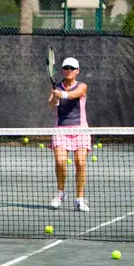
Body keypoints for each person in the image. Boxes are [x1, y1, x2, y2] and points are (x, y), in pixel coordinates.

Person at [48, 57, 90, 212]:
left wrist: (63, 95)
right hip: (61, 129)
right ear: (63, 70)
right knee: (60, 162)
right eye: (66, 67)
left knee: (80, 162)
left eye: (72, 68)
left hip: (80, 129)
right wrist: (55, 98)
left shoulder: (82, 86)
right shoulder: (57, 87)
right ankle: (60, 193)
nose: (69, 70)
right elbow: (51, 104)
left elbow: (75, 95)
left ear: (77, 71)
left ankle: (79, 198)